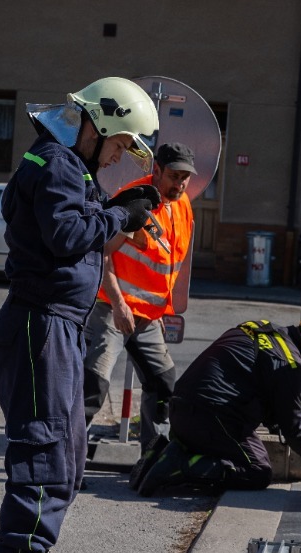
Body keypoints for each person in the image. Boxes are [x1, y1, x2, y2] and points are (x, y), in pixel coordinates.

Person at [0, 77, 160, 553]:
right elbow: (64, 234)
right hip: (42, 326)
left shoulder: (64, 164)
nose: (115, 158)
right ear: (100, 123)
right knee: (44, 452)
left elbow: (73, 228)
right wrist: (119, 216)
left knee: (69, 451)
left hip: (55, 326)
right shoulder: (58, 161)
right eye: (117, 145)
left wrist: (115, 211)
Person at [130, 310, 301, 496]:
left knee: (234, 448)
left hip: (181, 408)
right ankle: (178, 465)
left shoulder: (260, 327)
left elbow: (253, 384)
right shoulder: (289, 365)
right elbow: (292, 423)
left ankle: (164, 452)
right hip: (209, 417)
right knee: (258, 471)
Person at [83, 142, 198, 459]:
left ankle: (152, 454)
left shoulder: (182, 205)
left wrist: (160, 309)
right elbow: (102, 253)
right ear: (157, 171)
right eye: (174, 176)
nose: (180, 184)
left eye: (185, 177)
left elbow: (169, 263)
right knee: (94, 386)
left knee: (163, 384)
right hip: (112, 308)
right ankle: (67, 457)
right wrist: (119, 304)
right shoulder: (137, 201)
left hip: (148, 316)